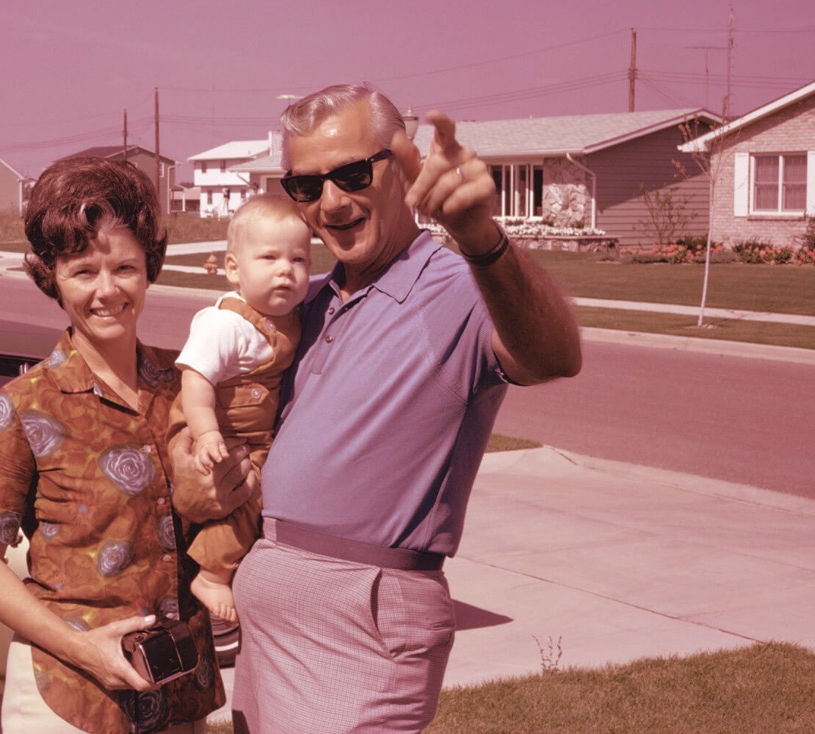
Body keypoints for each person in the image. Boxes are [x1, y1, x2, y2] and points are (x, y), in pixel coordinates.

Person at [173, 84, 584, 733]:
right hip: (265, 619)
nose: (331, 202)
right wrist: (191, 460)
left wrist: (482, 239)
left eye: (352, 174)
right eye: (306, 185)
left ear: (402, 165)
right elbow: (208, 402)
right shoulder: (299, 304)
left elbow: (553, 357)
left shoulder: (460, 288)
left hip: (364, 627)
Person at [0, 157, 238, 734]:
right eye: (83, 271)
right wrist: (84, 650)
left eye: (125, 267)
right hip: (71, 699)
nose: (108, 290)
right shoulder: (21, 408)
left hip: (181, 698)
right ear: (52, 278)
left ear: (149, 268)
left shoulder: (187, 389)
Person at [170, 194, 311, 624]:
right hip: (218, 428)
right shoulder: (225, 323)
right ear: (233, 268)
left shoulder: (293, 316)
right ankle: (211, 575)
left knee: (257, 495)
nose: (285, 269)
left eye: (299, 259)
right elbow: (195, 380)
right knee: (248, 494)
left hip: (253, 433)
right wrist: (207, 434)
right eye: (269, 257)